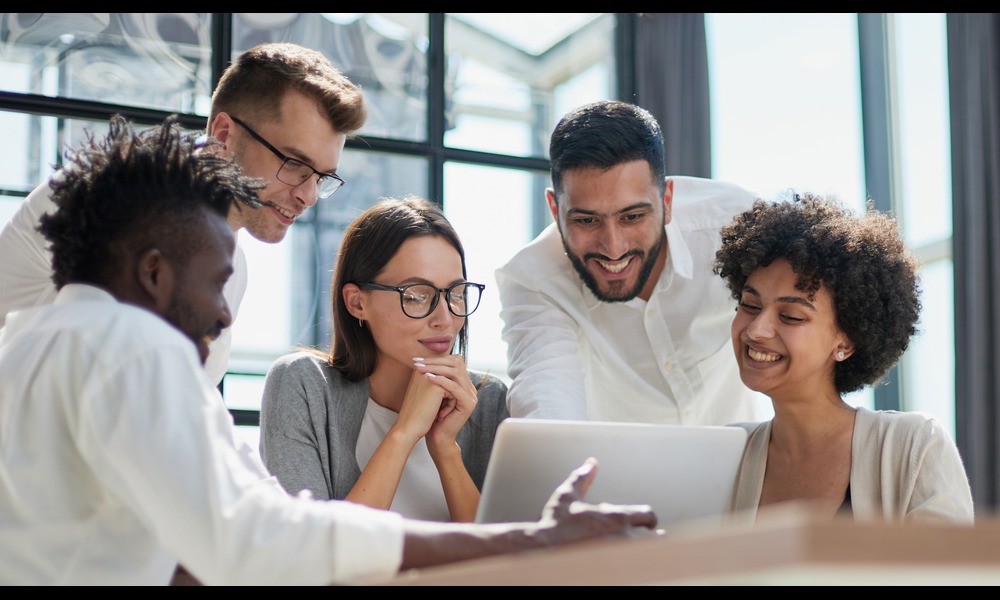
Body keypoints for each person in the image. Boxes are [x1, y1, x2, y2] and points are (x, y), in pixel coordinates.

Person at [0, 116, 657, 586]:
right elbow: (255, 539)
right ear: (153, 273)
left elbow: (243, 524)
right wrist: (529, 541)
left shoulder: (26, 342)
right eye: (217, 281)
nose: (224, 313)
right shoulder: (131, 345)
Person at [0, 41, 366, 386]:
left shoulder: (232, 266)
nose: (309, 195)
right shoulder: (109, 197)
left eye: (321, 177)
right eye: (295, 163)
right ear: (224, 133)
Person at [495, 99, 770, 424]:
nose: (613, 247)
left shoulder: (737, 224)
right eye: (586, 221)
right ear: (555, 210)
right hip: (615, 475)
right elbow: (547, 400)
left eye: (632, 216)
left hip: (747, 468)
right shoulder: (534, 280)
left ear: (667, 200)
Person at [713, 192, 974, 524]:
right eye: (750, 306)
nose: (757, 329)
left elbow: (949, 573)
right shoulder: (725, 454)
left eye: (791, 316)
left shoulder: (913, 446)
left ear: (846, 341)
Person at [260, 196, 508, 523]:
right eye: (417, 296)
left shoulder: (487, 401)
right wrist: (403, 433)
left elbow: (503, 562)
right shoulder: (304, 387)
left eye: (456, 293)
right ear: (357, 303)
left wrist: (446, 448)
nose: (445, 319)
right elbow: (312, 554)